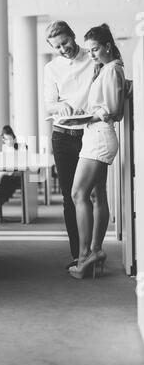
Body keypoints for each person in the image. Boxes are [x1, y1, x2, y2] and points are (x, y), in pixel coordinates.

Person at [68, 24, 125, 279]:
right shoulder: (105, 69)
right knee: (95, 196)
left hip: (100, 137)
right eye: (89, 50)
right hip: (96, 135)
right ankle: (96, 250)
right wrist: (85, 115)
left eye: (94, 49)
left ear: (107, 47)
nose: (90, 54)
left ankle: (84, 256)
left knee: (77, 193)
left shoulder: (112, 69)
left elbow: (115, 110)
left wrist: (92, 114)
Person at [44, 21, 95, 268]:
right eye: (57, 46)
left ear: (73, 36)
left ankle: (92, 250)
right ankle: (78, 254)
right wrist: (58, 106)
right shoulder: (51, 68)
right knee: (69, 197)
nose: (63, 49)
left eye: (65, 42)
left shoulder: (92, 59)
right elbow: (49, 105)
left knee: (90, 195)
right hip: (62, 135)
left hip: (89, 134)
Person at [0, 125, 24, 219]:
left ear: (13, 137)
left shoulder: (19, 147)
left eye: (10, 138)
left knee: (3, 181)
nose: (9, 141)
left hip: (15, 175)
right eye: (6, 139)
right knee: (3, 180)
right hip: (4, 175)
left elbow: (23, 164)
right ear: (2, 139)